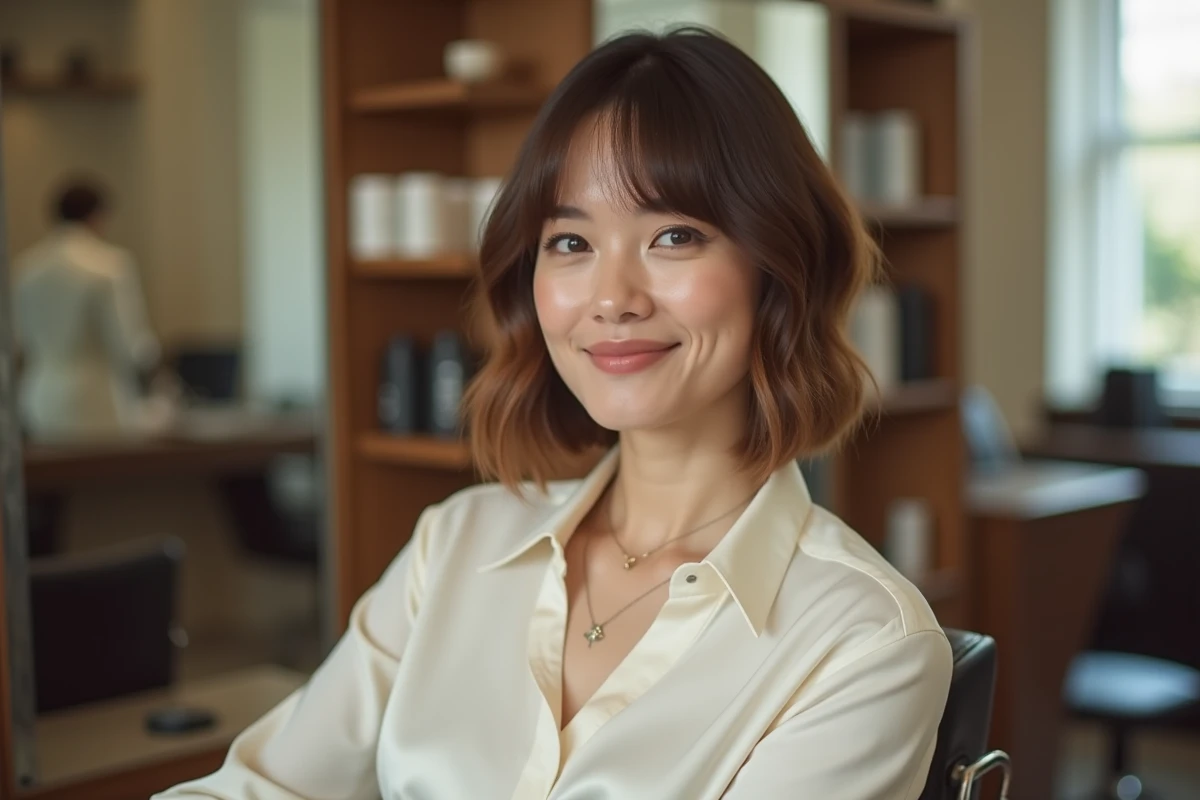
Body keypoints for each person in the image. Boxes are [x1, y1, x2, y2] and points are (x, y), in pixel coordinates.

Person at [156, 28, 951, 799]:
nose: (612, 299)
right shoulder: (456, 546)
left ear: (781, 267)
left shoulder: (864, 642)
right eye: (570, 242)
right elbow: (261, 787)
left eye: (673, 235)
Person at [13, 179, 161, 439]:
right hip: (95, 401)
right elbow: (129, 344)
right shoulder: (109, 265)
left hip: (39, 397)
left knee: (51, 478)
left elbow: (18, 339)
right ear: (97, 216)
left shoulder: (26, 268)